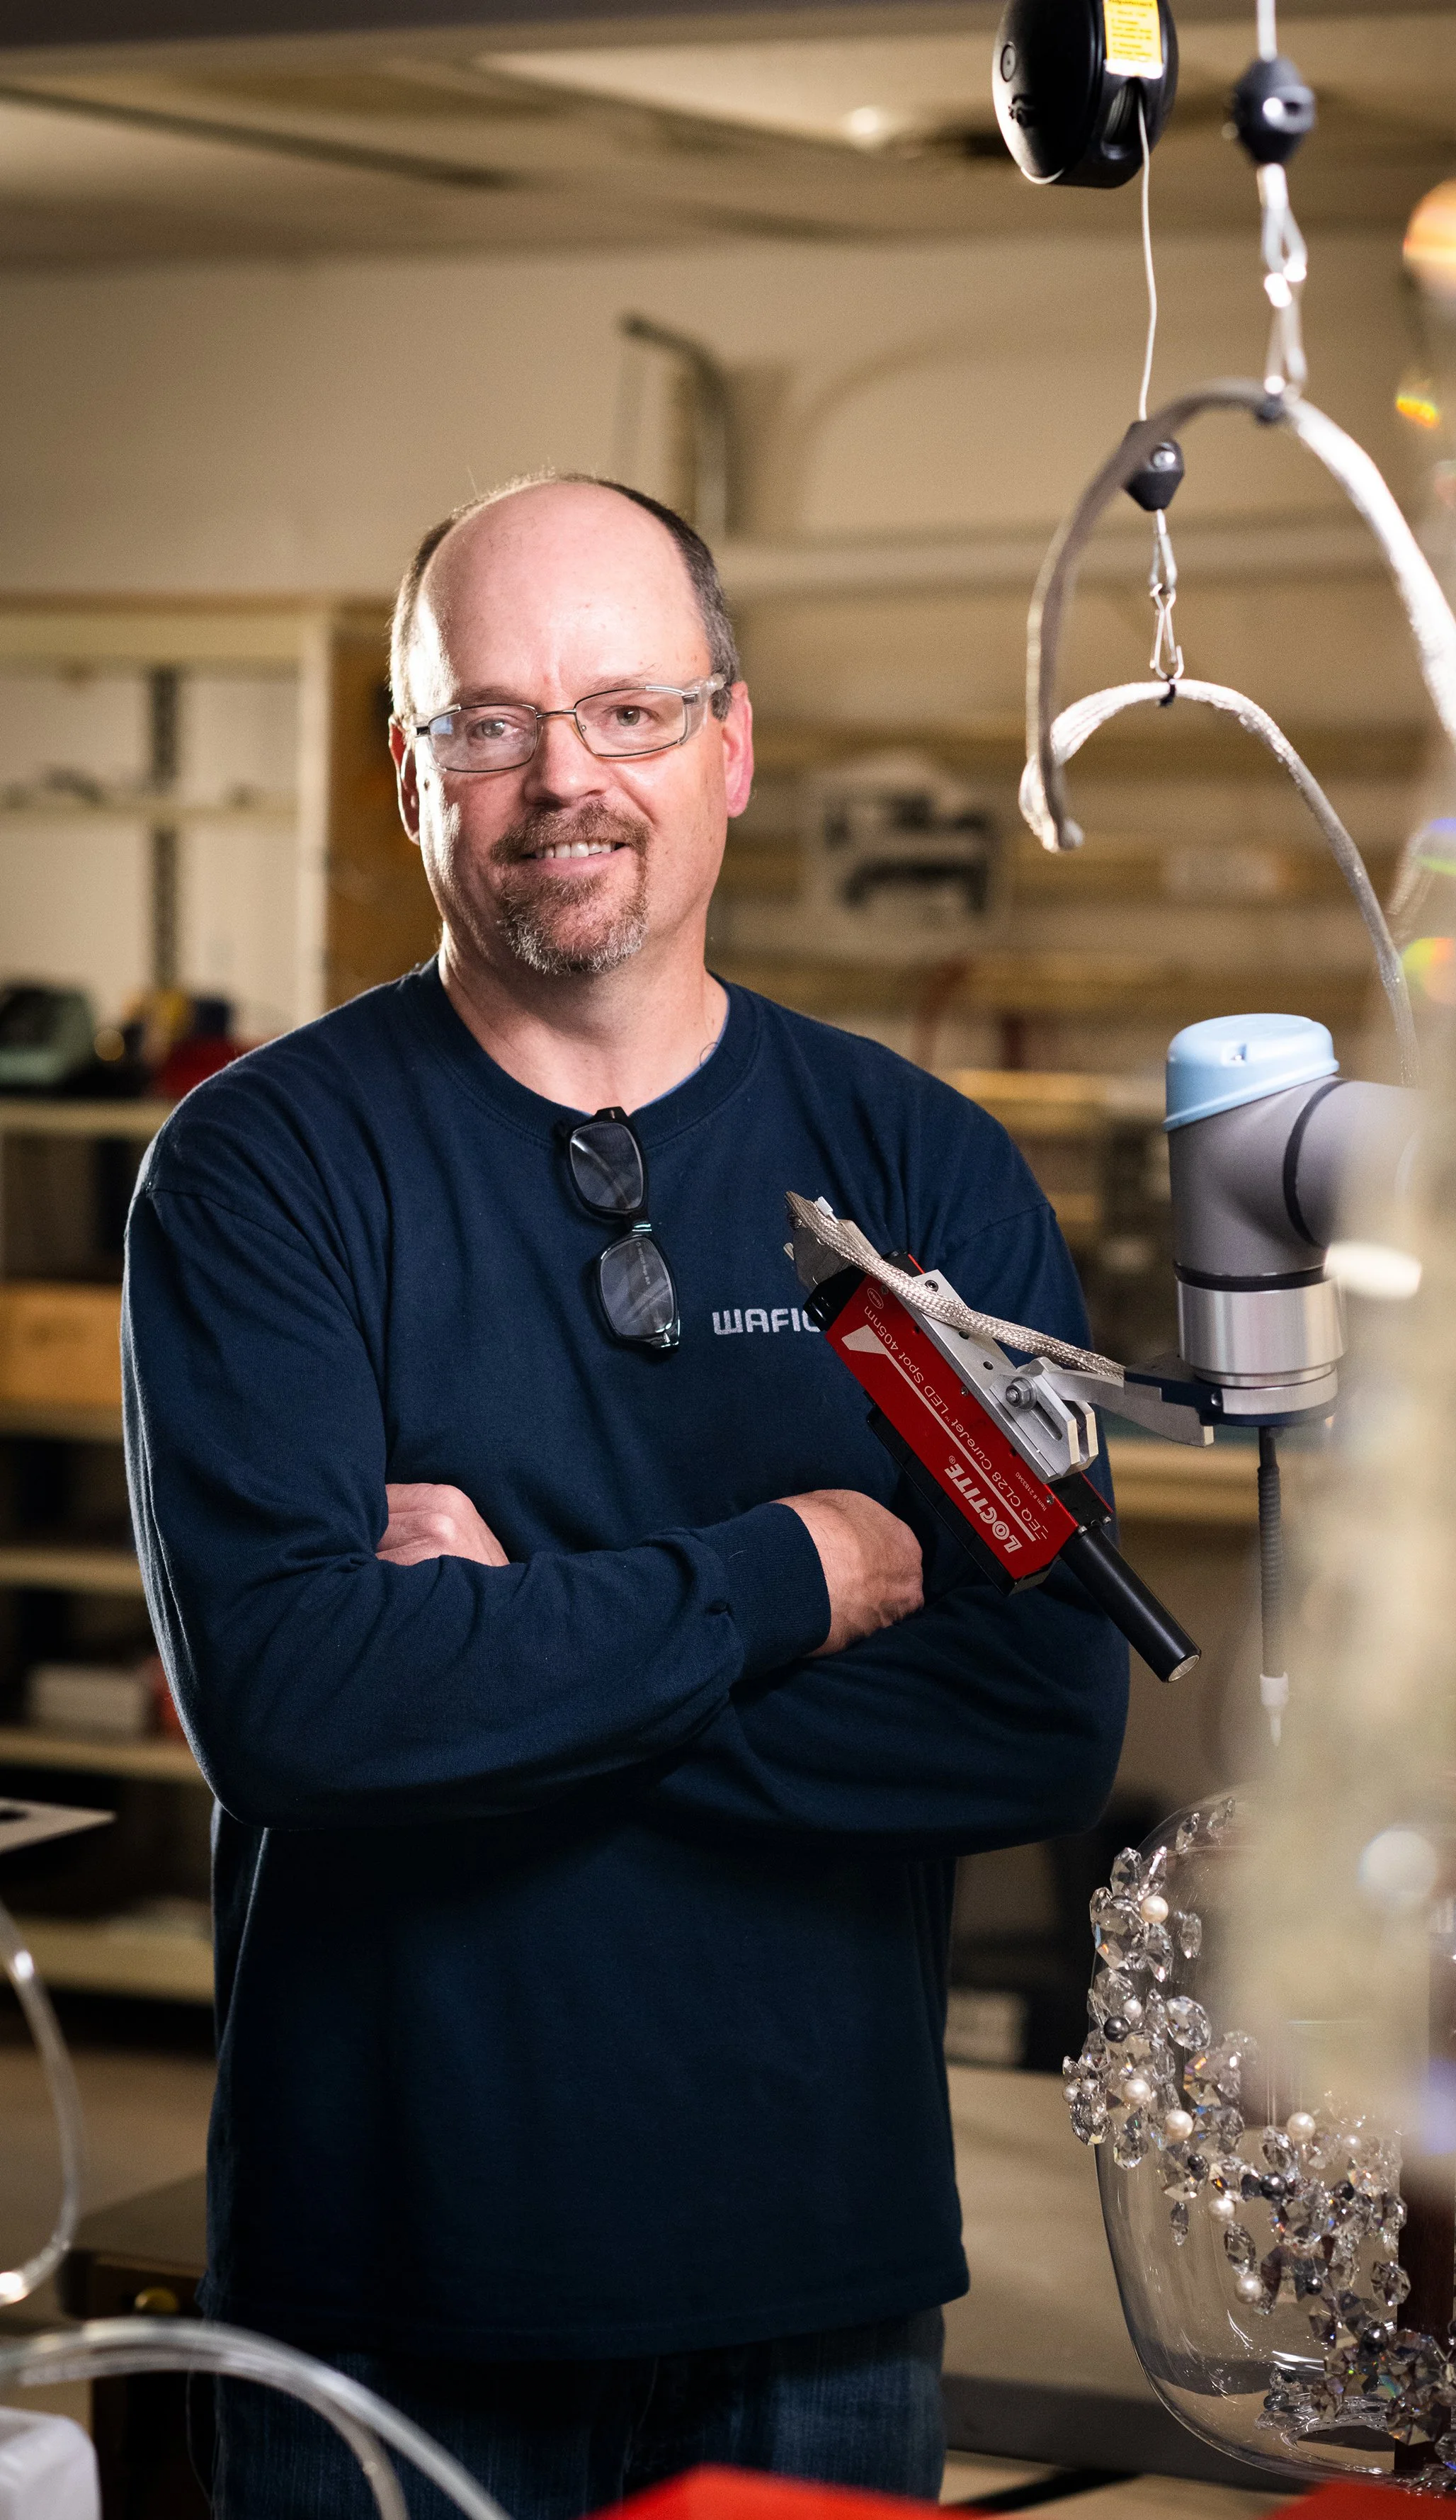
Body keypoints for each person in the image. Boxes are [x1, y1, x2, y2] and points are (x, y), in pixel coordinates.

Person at [123, 472, 1127, 2520]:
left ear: (729, 744)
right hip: (377, 2304)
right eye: (487, 720)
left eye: (626, 712)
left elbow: (1037, 1708)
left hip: (808, 2299)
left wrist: (504, 1649)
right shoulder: (261, 1173)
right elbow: (307, 1700)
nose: (558, 777)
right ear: (412, 772)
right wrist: (798, 1571)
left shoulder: (918, 1179)